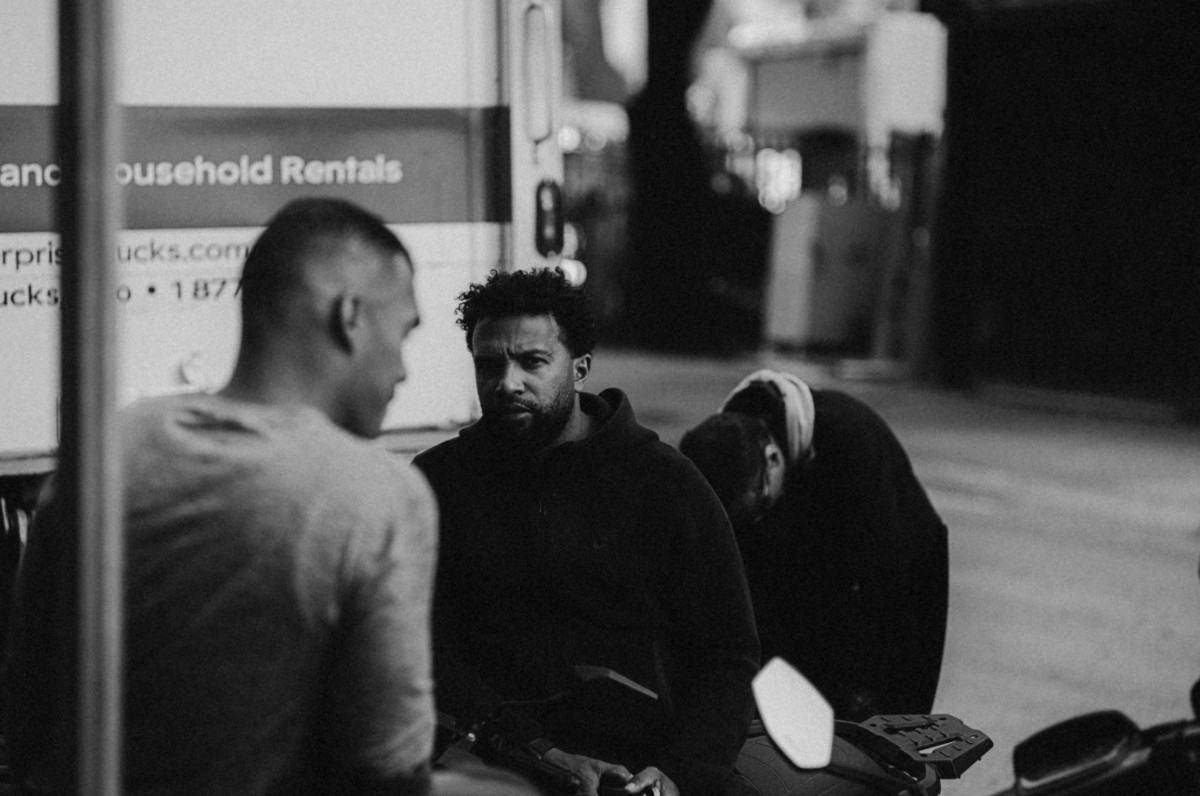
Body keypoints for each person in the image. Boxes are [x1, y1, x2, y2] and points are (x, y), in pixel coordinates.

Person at [3, 198, 533, 796]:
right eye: (403, 331)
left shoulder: (103, 451)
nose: (403, 371)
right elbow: (385, 775)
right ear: (350, 317)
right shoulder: (377, 495)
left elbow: (24, 727)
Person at [412, 268, 761, 796]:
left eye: (532, 362)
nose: (507, 384)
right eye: (489, 365)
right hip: (500, 764)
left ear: (580, 368)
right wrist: (538, 754)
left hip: (652, 767)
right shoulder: (440, 483)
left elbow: (728, 654)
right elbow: (426, 648)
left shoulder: (665, 483)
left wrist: (682, 774)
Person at [679, 370, 948, 722]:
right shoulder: (722, 448)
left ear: (773, 458)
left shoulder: (850, 439)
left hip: (902, 568)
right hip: (819, 561)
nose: (755, 522)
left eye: (759, 508)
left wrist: (862, 691)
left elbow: (878, 584)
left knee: (881, 719)